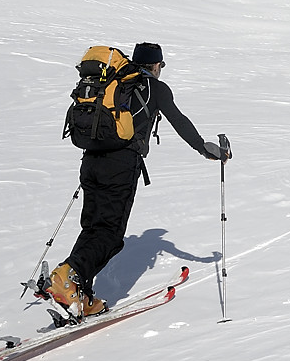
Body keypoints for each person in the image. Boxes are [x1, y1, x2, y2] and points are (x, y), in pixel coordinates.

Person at [46, 42, 223, 317]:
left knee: (92, 228)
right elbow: (179, 121)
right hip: (121, 165)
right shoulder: (155, 88)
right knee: (110, 234)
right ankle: (68, 275)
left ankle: (80, 295)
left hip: (91, 161)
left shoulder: (115, 83)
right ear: (156, 65)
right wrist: (204, 148)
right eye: (161, 65)